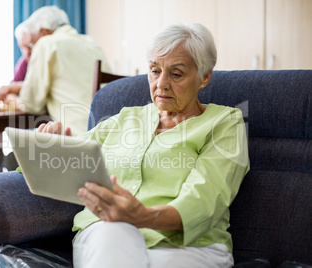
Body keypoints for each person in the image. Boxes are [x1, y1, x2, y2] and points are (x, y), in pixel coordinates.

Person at [36, 22, 250, 267]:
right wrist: (51, 143)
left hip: (187, 245)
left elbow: (205, 199)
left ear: (204, 77)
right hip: (108, 233)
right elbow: (69, 156)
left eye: (176, 74)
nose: (161, 84)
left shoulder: (225, 123)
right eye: (154, 70)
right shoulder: (126, 118)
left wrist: (142, 216)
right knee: (113, 232)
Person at [0, 6, 111, 135]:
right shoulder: (92, 43)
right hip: (110, 133)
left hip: (79, 137)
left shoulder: (46, 43)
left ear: (43, 32)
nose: (29, 52)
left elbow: (31, 104)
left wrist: (13, 99)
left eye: (32, 43)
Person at [0, 20, 32, 102]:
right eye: (23, 47)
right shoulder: (24, 62)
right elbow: (9, 93)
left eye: (30, 46)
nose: (27, 52)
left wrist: (16, 88)